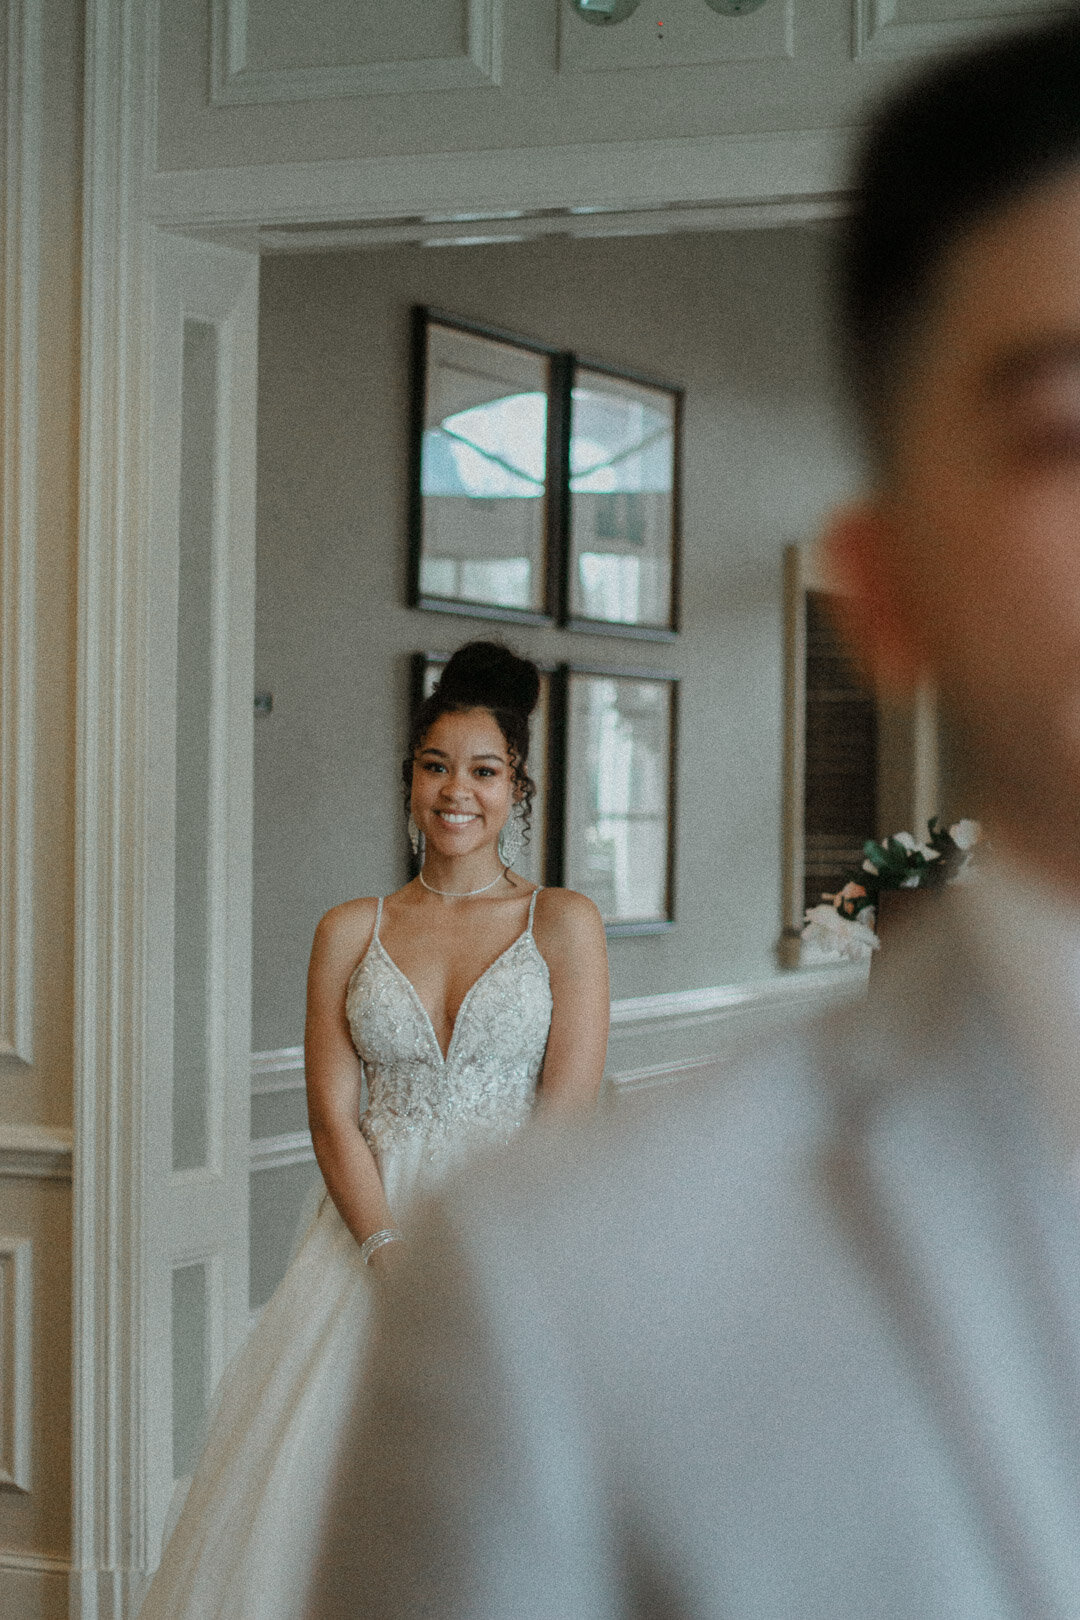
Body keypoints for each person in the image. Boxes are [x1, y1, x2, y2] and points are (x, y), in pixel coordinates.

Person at [311, 16, 1080, 1618]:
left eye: (484, 771)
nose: (455, 794)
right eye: (1064, 432)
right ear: (887, 588)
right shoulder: (563, 1295)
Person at [138, 639, 609, 1619]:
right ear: (409, 779)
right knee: (312, 1505)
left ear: (516, 787)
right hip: (365, 1241)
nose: (456, 791)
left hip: (514, 1241)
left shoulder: (563, 924)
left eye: (483, 771)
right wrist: (391, 1253)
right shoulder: (351, 929)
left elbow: (563, 1117)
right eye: (436, 766)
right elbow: (331, 1114)